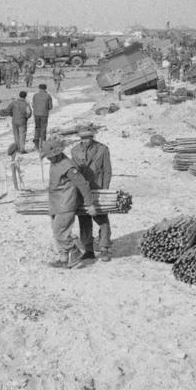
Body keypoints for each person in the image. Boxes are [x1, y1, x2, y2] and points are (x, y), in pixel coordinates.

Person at [40, 139, 97, 269]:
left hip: (66, 203)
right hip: (55, 202)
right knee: (57, 232)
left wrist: (90, 204)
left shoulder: (68, 166)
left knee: (60, 232)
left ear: (57, 153)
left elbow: (82, 184)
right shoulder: (55, 162)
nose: (48, 159)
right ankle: (64, 258)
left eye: (50, 156)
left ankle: (74, 251)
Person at [71, 125, 113, 262]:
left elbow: (107, 171)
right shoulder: (74, 150)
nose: (85, 140)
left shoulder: (102, 149)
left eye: (88, 137)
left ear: (92, 137)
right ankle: (88, 249)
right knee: (84, 220)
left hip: (99, 188)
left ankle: (104, 248)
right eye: (82, 138)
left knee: (102, 219)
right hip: (83, 190)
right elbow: (74, 172)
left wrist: (105, 189)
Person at [31, 83, 53, 150]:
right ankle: (43, 144)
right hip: (44, 114)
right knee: (43, 129)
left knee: (37, 128)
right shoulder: (48, 96)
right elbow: (50, 107)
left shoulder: (35, 95)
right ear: (45, 88)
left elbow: (33, 105)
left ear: (39, 88)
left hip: (36, 114)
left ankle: (36, 144)